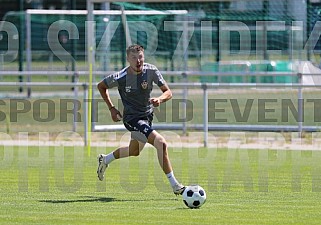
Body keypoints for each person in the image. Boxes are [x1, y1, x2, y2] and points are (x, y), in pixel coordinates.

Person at [96, 44, 185, 195]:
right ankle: (175, 185)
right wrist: (112, 108)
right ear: (128, 59)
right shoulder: (121, 77)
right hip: (132, 118)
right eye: (134, 58)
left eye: (140, 57)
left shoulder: (151, 71)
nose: (138, 61)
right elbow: (101, 86)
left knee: (134, 151)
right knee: (161, 143)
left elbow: (168, 92)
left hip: (147, 116)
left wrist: (160, 100)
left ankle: (105, 160)